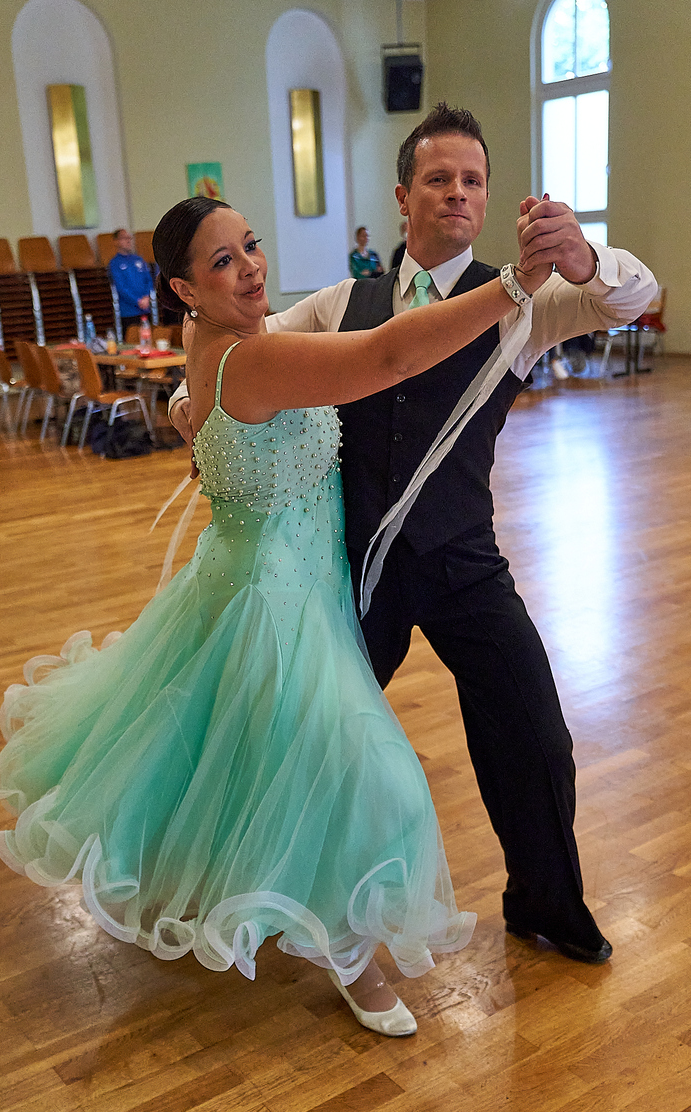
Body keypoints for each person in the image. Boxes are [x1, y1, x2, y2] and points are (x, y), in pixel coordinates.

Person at [0, 193, 551, 1038]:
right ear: (183, 289)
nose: (250, 267)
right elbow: (390, 356)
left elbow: (197, 408)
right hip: (275, 607)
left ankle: (299, 921)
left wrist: (186, 409)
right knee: (364, 779)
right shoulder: (253, 363)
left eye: (249, 245)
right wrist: (512, 283)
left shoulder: (215, 343)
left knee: (240, 764)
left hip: (249, 576)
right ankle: (351, 953)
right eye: (223, 262)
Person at [170, 102, 658, 965]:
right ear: (404, 195)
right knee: (312, 740)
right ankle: (272, 896)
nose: (457, 194)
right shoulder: (342, 301)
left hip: (466, 563)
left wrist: (582, 258)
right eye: (438, 178)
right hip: (357, 568)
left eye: (472, 180)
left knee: (534, 733)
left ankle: (545, 904)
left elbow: (633, 296)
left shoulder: (528, 304)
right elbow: (236, 357)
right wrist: (190, 416)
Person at [107, 228, 155, 331]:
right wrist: (137, 301)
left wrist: (147, 297)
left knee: (148, 337)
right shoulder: (115, 263)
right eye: (124, 238)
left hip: (145, 308)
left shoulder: (139, 259)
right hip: (129, 311)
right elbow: (120, 287)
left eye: (129, 238)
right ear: (116, 241)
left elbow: (148, 280)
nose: (128, 241)